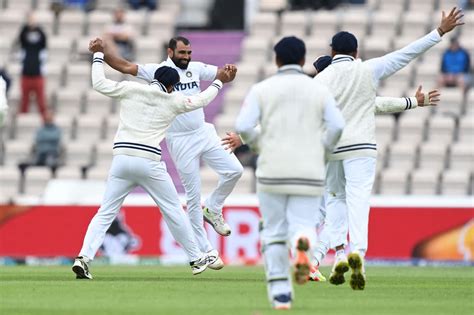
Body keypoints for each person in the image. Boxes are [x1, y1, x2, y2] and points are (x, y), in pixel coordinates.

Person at [312, 7, 463, 290]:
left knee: (335, 201)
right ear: (356, 52)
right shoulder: (368, 68)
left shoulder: (322, 79)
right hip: (362, 148)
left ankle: (339, 253)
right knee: (358, 203)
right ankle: (357, 255)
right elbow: (406, 54)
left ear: (332, 52)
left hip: (332, 149)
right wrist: (439, 32)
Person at [72, 38, 235, 280]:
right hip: (148, 161)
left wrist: (98, 55)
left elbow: (98, 83)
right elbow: (202, 100)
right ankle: (196, 257)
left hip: (121, 158)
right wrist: (220, 81)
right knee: (172, 210)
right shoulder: (172, 102)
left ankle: (84, 258)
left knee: (105, 212)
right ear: (171, 87)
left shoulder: (131, 89)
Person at [235, 36, 345, 310]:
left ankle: (281, 293)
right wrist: (321, 149)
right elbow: (337, 126)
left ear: (277, 60)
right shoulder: (318, 90)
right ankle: (302, 245)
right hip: (308, 170)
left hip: (272, 169)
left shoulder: (262, 89)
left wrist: (260, 145)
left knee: (273, 232)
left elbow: (244, 126)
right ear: (302, 60)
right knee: (304, 224)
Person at [18, 12, 48, 120]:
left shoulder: (40, 38)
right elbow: (21, 38)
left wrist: (36, 26)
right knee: (24, 99)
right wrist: (27, 25)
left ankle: (44, 118)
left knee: (41, 99)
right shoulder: (25, 37)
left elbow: (44, 40)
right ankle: (22, 118)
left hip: (37, 74)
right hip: (26, 73)